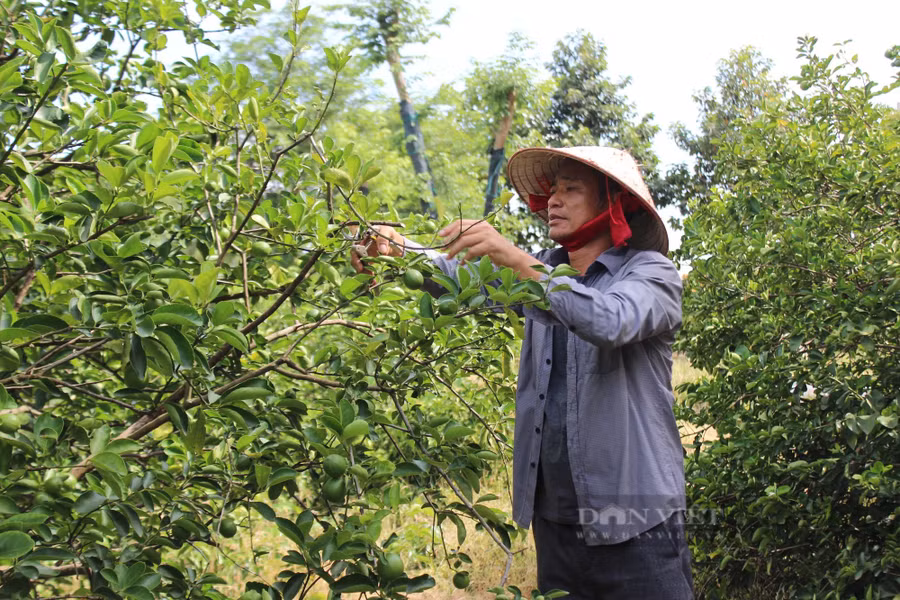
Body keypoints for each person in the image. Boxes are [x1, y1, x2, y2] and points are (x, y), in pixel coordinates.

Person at [352, 147, 693, 599]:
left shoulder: (652, 274)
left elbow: (611, 320)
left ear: (612, 202)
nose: (554, 200)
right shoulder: (541, 271)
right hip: (556, 519)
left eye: (572, 189)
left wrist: (514, 259)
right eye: (552, 191)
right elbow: (452, 279)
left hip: (638, 518)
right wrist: (395, 253)